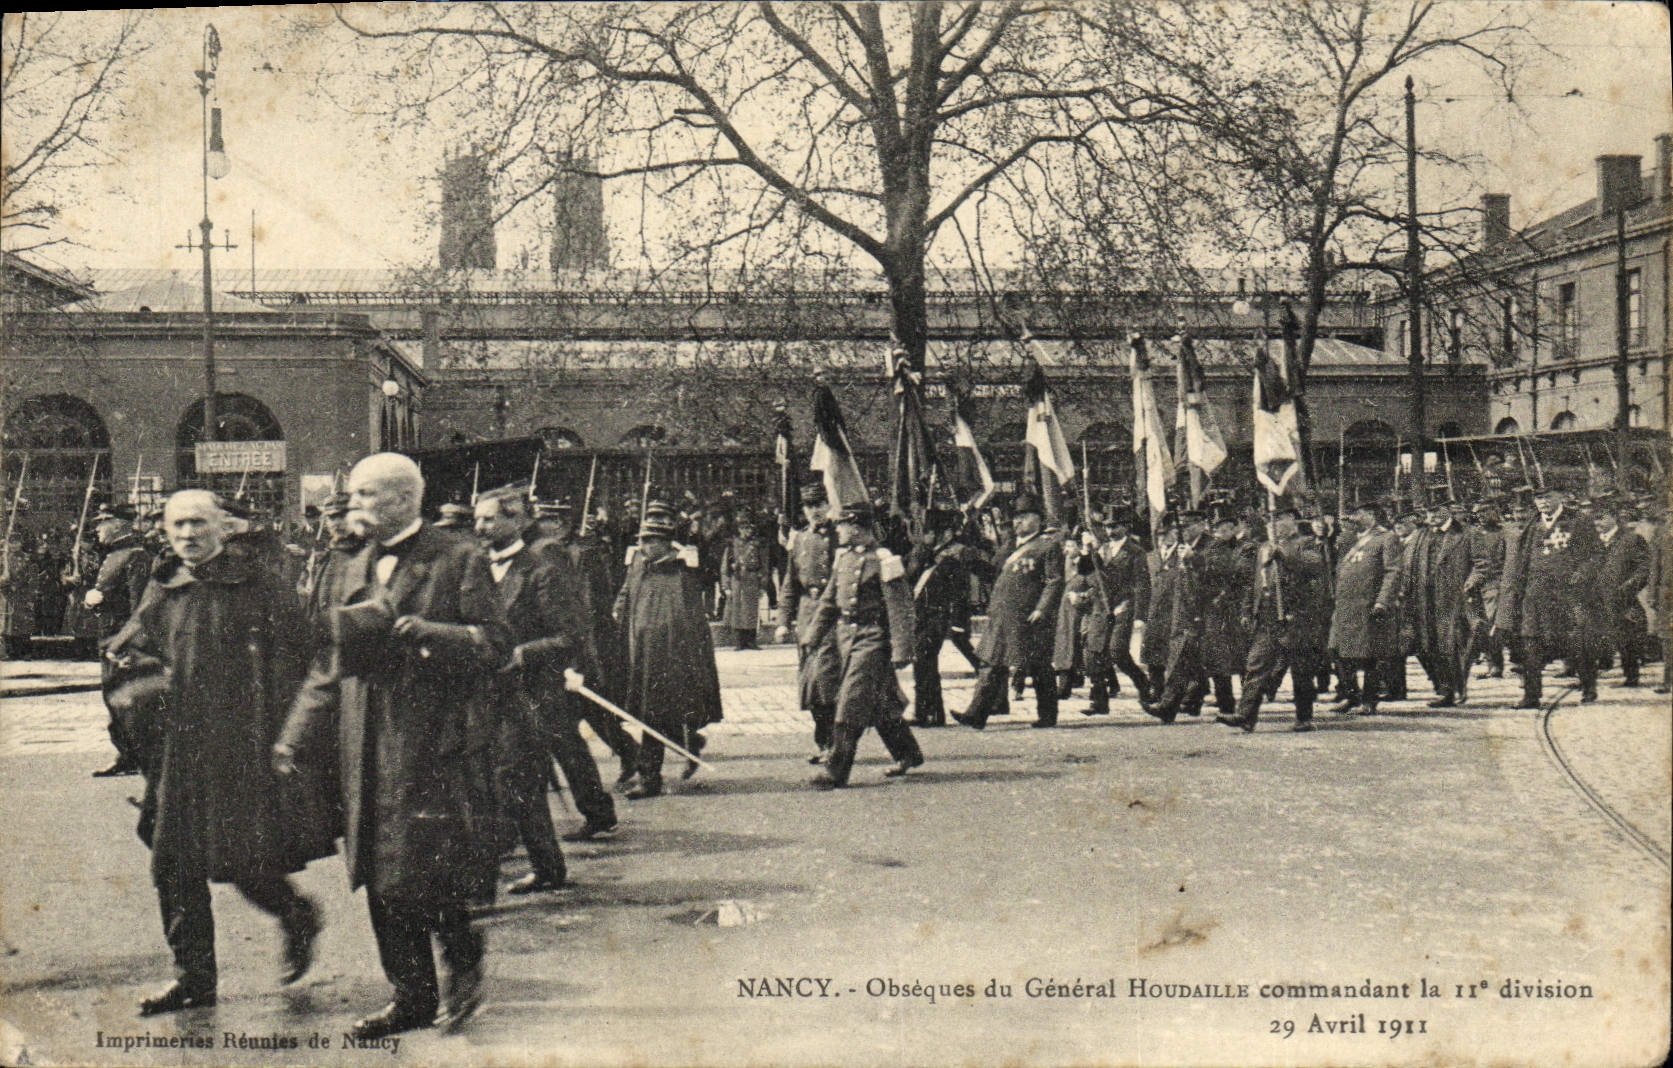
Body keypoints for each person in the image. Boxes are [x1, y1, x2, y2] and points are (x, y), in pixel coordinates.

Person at [278, 453, 511, 1040]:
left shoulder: (457, 559)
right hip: (364, 742)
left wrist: (436, 636)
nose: (354, 506)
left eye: (366, 496)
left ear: (405, 500)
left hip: (431, 742)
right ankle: (410, 996)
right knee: (379, 870)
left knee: (421, 868)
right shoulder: (350, 564)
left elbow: (498, 645)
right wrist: (296, 736)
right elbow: (330, 664)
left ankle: (461, 955)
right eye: (353, 496)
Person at [111, 490, 332, 1017]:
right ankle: (193, 979)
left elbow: (300, 660)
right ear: (164, 530)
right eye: (177, 525)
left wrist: (286, 737)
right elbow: (134, 645)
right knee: (172, 863)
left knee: (238, 860)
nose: (187, 535)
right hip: (178, 751)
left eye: (198, 524)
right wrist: (144, 681)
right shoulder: (165, 583)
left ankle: (296, 915)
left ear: (223, 528)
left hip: (241, 749)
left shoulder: (260, 584)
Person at [473, 487, 574, 893]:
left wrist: (524, 653)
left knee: (520, 782)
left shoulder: (540, 569)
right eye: (477, 519)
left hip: (526, 695)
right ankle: (487, 869)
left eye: (489, 519)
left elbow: (569, 636)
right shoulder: (474, 567)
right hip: (479, 693)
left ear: (516, 521)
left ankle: (548, 866)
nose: (480, 527)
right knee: (482, 780)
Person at [807, 501, 923, 788]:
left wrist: (902, 648)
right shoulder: (843, 558)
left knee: (850, 701)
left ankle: (837, 769)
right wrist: (813, 635)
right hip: (845, 639)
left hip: (873, 639)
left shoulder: (884, 560)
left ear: (857, 528)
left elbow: (900, 608)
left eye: (842, 525)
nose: (838, 531)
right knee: (880, 703)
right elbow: (829, 601)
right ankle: (908, 753)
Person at [612, 501, 724, 798]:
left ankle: (650, 778)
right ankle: (688, 744)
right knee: (652, 713)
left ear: (665, 543)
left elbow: (689, 621)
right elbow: (627, 594)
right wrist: (619, 613)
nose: (644, 546)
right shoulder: (639, 567)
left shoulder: (682, 573)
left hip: (671, 658)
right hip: (643, 653)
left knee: (655, 714)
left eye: (650, 541)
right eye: (642, 540)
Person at [529, 498, 640, 791]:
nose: (539, 526)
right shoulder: (547, 553)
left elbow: (589, 606)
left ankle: (632, 756)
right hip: (565, 646)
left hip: (588, 645)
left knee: (592, 710)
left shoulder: (583, 554)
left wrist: (581, 653)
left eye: (544, 521)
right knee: (580, 713)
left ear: (559, 524)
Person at [954, 493, 1062, 730]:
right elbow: (992, 572)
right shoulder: (1010, 546)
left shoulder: (1047, 546)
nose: (1018, 522)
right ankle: (976, 714)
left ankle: (1048, 715)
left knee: (1038, 666)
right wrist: (970, 559)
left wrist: (1042, 609)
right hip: (1003, 614)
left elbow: (1054, 581)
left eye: (1024, 517)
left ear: (1038, 519)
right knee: (992, 662)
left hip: (1029, 616)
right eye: (1016, 518)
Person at [1219, 506, 1330, 733]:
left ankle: (1304, 717)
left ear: (1294, 521)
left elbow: (1313, 564)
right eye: (1273, 519)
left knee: (1301, 669)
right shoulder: (1264, 547)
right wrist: (1248, 609)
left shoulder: (1306, 543)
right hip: (1268, 613)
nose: (1276, 523)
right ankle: (1245, 715)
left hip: (1295, 614)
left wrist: (1283, 554)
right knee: (1255, 664)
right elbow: (1256, 582)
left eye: (1280, 518)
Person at [1505, 484, 1605, 707]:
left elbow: (1597, 555)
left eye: (1548, 497)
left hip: (1568, 594)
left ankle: (1589, 687)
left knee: (1578, 642)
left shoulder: (1578, 521)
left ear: (1559, 497)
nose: (1543, 503)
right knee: (1530, 643)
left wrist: (1581, 574)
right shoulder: (1533, 524)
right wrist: (1519, 591)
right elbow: (1523, 560)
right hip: (1536, 595)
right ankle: (1531, 696)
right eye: (1539, 499)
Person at [87, 503, 156, 777]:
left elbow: (138, 605)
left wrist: (129, 645)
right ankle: (126, 755)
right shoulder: (115, 554)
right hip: (108, 638)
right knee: (112, 698)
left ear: (118, 524)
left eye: (102, 522)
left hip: (121, 640)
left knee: (126, 701)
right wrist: (96, 602)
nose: (97, 528)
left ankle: (138, 757)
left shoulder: (135, 555)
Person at [777, 481, 840, 761]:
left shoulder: (840, 535)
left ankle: (834, 745)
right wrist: (782, 620)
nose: (815, 511)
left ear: (829, 505)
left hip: (832, 617)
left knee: (826, 681)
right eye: (809, 506)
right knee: (810, 685)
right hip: (806, 615)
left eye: (819, 504)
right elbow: (790, 584)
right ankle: (823, 742)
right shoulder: (800, 539)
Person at [1327, 502, 1403, 716]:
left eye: (1358, 514)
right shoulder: (1354, 540)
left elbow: (1393, 571)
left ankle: (1369, 700)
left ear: (1371, 515)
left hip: (1368, 605)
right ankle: (1351, 695)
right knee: (1336, 650)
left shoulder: (1386, 538)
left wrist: (1383, 601)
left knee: (1370, 655)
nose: (1354, 518)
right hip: (1345, 607)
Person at [1144, 508, 1212, 723]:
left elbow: (1218, 571)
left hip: (1205, 610)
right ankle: (1175, 703)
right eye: (1184, 525)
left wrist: (1196, 559)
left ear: (1202, 524)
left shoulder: (1211, 545)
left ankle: (1178, 702)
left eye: (1191, 524)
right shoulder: (1184, 548)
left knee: (1192, 658)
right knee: (1184, 657)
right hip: (1184, 609)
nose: (1187, 529)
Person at [906, 507, 971, 727]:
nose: (925, 536)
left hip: (938, 615)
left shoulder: (954, 556)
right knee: (923, 663)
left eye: (930, 532)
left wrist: (957, 621)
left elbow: (960, 592)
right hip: (920, 615)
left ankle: (926, 711)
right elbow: (909, 579)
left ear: (946, 534)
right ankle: (931, 712)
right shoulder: (924, 554)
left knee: (924, 660)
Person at [1197, 503, 1251, 720]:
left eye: (1228, 527)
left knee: (1244, 660)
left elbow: (1246, 577)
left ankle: (1248, 704)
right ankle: (1225, 704)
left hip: (1238, 609)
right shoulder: (1209, 550)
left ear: (1236, 528)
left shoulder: (1246, 548)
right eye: (1219, 528)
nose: (1224, 531)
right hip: (1215, 610)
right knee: (1217, 659)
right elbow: (1202, 578)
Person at [1593, 497, 1651, 688]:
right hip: (1596, 598)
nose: (1597, 523)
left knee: (1627, 638)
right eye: (1595, 519)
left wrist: (1627, 588)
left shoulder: (1631, 539)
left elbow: (1644, 569)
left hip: (1622, 599)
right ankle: (1589, 676)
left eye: (1601, 518)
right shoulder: (1592, 542)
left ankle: (1631, 675)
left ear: (1614, 518)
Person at [721, 511, 771, 650]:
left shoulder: (757, 545)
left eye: (749, 528)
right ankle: (739, 641)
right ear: (739, 529)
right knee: (737, 611)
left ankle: (751, 641)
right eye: (743, 528)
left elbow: (764, 566)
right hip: (737, 580)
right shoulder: (731, 546)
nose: (746, 531)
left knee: (751, 611)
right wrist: (726, 586)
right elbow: (725, 567)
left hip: (752, 579)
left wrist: (762, 585)